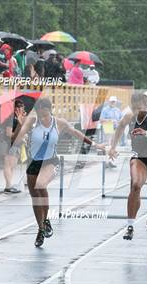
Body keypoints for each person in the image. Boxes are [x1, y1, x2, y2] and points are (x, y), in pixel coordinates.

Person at [11, 98, 105, 247]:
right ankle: (41, 228)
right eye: (40, 116)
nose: (43, 119)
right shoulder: (31, 121)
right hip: (33, 162)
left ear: (50, 111)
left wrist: (95, 144)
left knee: (41, 185)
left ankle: (46, 219)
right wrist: (20, 125)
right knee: (35, 198)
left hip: (50, 161)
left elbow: (77, 134)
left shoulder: (59, 123)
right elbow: (14, 140)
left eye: (45, 115)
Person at [108, 93, 147, 240]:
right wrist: (113, 147)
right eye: (134, 108)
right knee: (135, 185)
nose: (137, 112)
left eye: (139, 108)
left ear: (146, 105)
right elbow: (119, 128)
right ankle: (130, 226)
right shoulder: (129, 117)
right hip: (139, 157)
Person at [0, 99, 26, 193]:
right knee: (8, 164)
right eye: (18, 107)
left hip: (17, 144)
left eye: (22, 107)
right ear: (15, 108)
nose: (21, 109)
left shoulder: (20, 118)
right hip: (9, 144)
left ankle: (9, 185)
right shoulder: (11, 118)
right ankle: (8, 186)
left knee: (13, 165)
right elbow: (8, 134)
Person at [100, 96, 123, 167]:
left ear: (116, 102)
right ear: (109, 102)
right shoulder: (105, 109)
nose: (113, 103)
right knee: (108, 143)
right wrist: (110, 121)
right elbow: (101, 120)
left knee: (113, 144)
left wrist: (119, 122)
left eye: (114, 101)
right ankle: (107, 161)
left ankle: (110, 161)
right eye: (112, 101)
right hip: (108, 126)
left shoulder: (118, 110)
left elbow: (121, 119)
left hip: (115, 128)